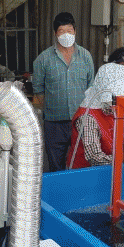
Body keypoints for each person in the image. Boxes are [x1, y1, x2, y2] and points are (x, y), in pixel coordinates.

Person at [33, 12, 95, 172]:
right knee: (56, 166)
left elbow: (91, 88)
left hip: (81, 121)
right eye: (61, 31)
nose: (66, 35)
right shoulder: (43, 59)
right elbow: (38, 90)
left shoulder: (85, 56)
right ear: (55, 33)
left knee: (81, 164)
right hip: (54, 123)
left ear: (75, 31)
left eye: (69, 30)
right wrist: (53, 107)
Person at [67, 63, 124, 168]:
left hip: (107, 169)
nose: (120, 97)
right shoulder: (87, 117)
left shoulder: (109, 108)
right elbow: (94, 157)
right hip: (84, 172)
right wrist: (121, 158)